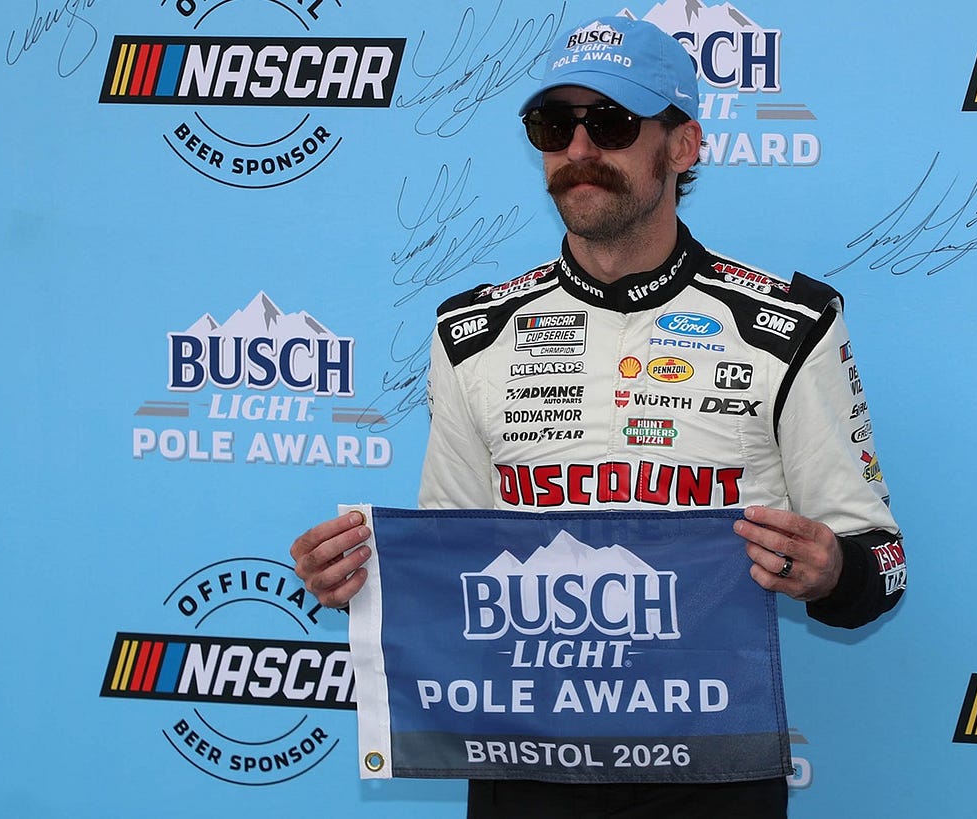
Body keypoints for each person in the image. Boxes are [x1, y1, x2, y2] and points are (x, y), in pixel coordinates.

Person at [292, 13, 906, 818]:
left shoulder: (789, 322)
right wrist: (357, 583)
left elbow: (881, 561)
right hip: (524, 770)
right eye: (555, 125)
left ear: (682, 146)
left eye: (611, 122)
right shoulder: (472, 332)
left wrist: (833, 571)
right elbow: (447, 558)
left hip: (715, 770)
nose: (579, 151)